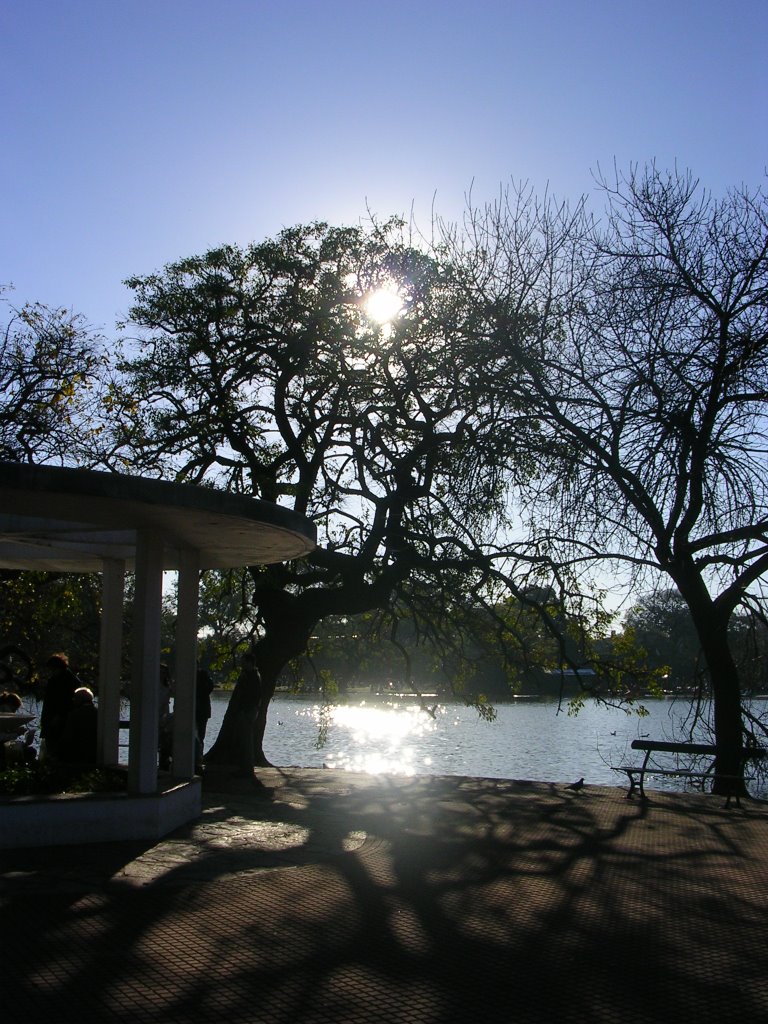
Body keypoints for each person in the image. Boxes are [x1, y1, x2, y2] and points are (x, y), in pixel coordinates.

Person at [40, 653, 82, 758]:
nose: (51, 672)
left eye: (52, 669)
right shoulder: (60, 679)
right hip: (53, 719)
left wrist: (59, 715)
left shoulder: (68, 681)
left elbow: (66, 702)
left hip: (59, 720)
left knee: (57, 748)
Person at [57, 687, 98, 766]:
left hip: (77, 755)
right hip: (94, 753)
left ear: (79, 699)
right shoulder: (98, 713)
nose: (73, 700)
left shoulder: (74, 714)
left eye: (75, 698)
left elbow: (67, 736)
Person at [195, 666, 214, 746]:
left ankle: (198, 753)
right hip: (202, 711)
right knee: (200, 734)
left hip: (201, 711)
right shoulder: (205, 677)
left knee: (200, 734)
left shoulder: (203, 675)